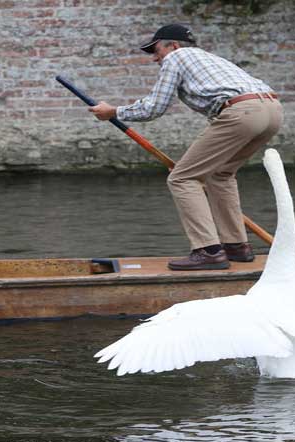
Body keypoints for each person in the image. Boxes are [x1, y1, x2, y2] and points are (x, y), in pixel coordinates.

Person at [88, 24, 283, 270]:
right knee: (219, 175)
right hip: (272, 110)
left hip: (242, 112)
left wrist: (113, 111)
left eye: (156, 50)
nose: (154, 58)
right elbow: (226, 114)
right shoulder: (210, 58)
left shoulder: (176, 58)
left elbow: (154, 107)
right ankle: (236, 247)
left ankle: (208, 251)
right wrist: (195, 162)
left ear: (174, 45)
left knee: (181, 179)